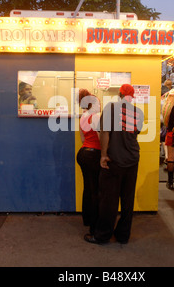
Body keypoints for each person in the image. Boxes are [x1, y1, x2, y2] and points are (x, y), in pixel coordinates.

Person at [84, 84, 144, 245]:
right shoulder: (138, 112)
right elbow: (135, 133)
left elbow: (105, 133)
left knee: (108, 200)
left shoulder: (111, 108)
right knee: (127, 199)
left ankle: (102, 235)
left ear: (119, 94)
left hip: (114, 160)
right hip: (132, 160)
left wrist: (103, 156)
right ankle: (123, 235)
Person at [77, 89, 101, 236]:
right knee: (96, 191)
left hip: (83, 153)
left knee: (88, 188)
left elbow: (82, 138)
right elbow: (100, 138)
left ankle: (87, 219)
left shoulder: (83, 116)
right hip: (94, 155)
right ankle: (95, 224)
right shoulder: (96, 116)